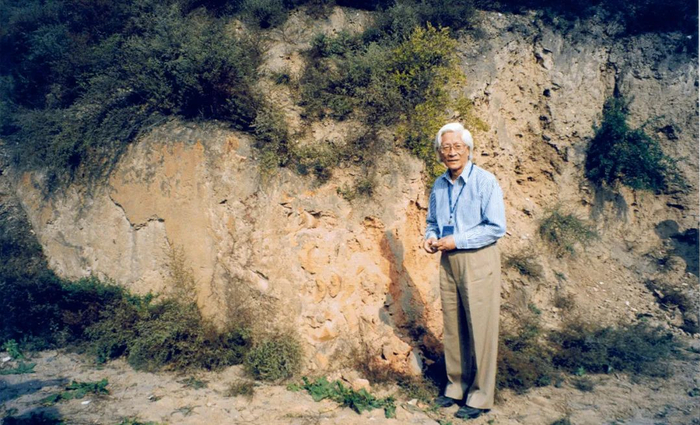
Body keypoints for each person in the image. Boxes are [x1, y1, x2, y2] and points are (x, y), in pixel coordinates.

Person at [423, 122, 506, 420]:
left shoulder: (485, 181)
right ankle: (455, 387)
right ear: (439, 153)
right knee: (454, 326)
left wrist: (457, 240)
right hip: (448, 259)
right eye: (446, 147)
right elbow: (432, 221)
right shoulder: (439, 184)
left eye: (457, 147)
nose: (451, 152)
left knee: (481, 328)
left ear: (468, 150)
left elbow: (495, 227)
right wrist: (430, 238)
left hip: (478, 259)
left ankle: (481, 396)